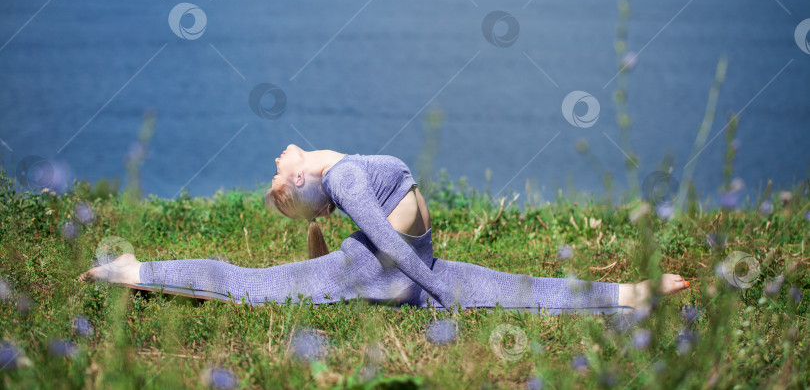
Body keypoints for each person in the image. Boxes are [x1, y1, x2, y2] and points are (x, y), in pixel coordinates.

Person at [80, 145, 689, 312]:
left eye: (278, 173)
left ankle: (630, 294)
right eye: (280, 179)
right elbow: (389, 240)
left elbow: (392, 241)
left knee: (517, 286)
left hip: (391, 271)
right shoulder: (343, 179)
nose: (277, 162)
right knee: (252, 284)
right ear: (302, 183)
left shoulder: (341, 170)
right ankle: (138, 272)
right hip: (385, 269)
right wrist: (441, 291)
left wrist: (427, 282)